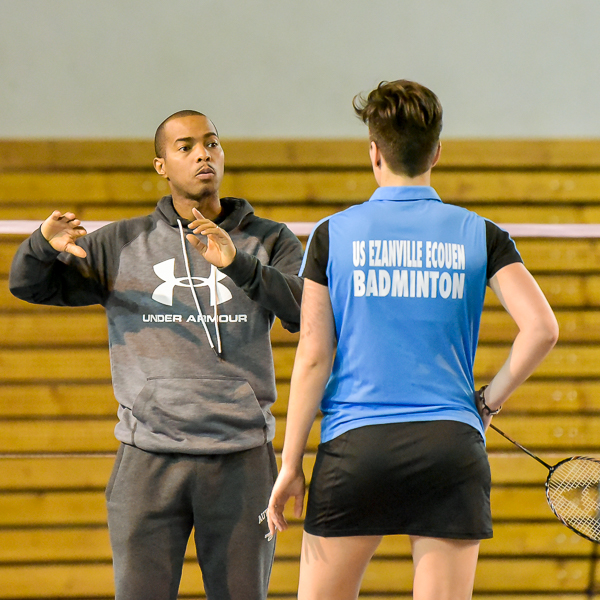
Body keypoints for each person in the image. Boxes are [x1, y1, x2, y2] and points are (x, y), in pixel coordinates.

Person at [267, 80, 559, 600]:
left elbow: (313, 356)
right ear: (437, 153)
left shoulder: (333, 234)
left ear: (374, 153)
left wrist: (290, 465)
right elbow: (541, 329)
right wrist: (488, 402)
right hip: (449, 447)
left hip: (357, 449)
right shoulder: (482, 233)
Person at [9, 110, 304, 600]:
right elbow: (28, 285)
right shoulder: (120, 243)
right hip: (147, 459)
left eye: (211, 143)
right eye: (185, 146)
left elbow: (305, 312)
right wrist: (41, 246)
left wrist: (240, 265)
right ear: (161, 165)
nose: (203, 154)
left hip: (241, 458)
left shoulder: (270, 240)